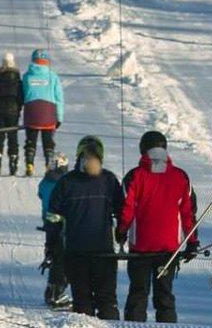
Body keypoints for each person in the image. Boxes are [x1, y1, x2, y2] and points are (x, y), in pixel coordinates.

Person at [119, 130, 200, 323]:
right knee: (165, 295)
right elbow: (188, 213)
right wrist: (192, 242)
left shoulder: (134, 176)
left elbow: (126, 210)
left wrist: (121, 232)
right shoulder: (180, 176)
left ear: (143, 150)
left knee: (138, 294)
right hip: (169, 249)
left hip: (140, 248)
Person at [50, 136, 124, 319]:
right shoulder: (109, 180)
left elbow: (52, 216)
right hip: (104, 252)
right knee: (107, 300)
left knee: (82, 302)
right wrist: (121, 234)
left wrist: (53, 244)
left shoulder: (66, 182)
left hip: (76, 253)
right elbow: (122, 211)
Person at [38, 152, 73, 309]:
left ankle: (51, 289)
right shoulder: (64, 183)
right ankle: (56, 291)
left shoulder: (45, 182)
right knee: (62, 255)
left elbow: (40, 194)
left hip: (48, 221)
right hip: (61, 222)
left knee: (52, 250)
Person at [21, 49, 64, 176]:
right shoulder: (53, 76)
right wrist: (59, 117)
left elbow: (23, 94)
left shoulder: (26, 76)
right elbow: (59, 98)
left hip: (32, 111)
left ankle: (29, 164)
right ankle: (48, 165)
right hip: (48, 112)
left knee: (31, 139)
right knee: (48, 141)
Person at [0, 53, 25, 175]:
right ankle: (13, 158)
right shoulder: (18, 81)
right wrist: (19, 108)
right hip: (13, 112)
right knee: (13, 137)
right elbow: (21, 98)